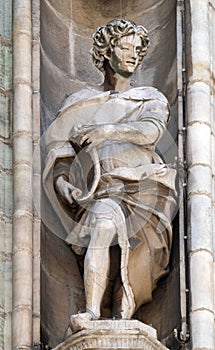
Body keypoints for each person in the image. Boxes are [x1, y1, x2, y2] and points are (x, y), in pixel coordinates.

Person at [43, 19, 177, 331]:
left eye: (137, 50)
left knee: (136, 256)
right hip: (101, 189)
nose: (132, 55)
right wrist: (63, 183)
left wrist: (106, 131)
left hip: (145, 185)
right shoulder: (80, 104)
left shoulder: (149, 98)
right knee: (102, 228)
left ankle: (121, 317)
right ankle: (92, 312)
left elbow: (151, 131)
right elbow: (60, 152)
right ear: (106, 52)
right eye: (125, 47)